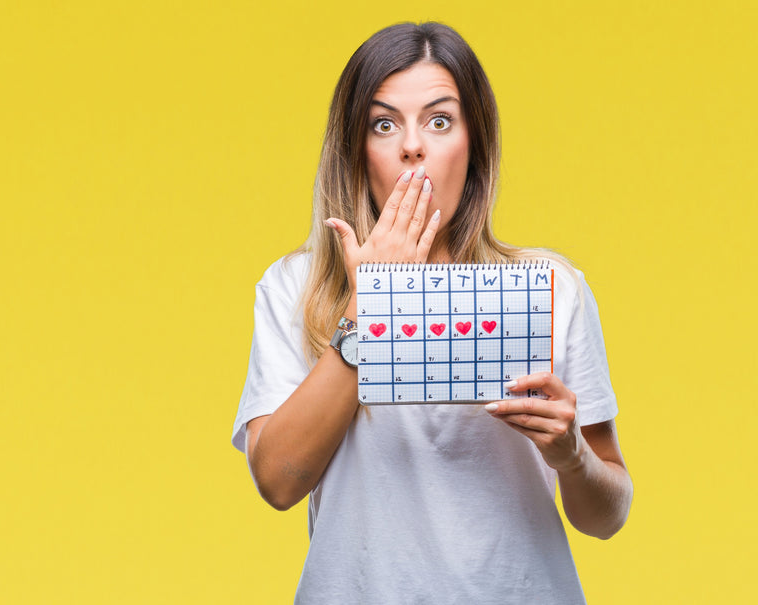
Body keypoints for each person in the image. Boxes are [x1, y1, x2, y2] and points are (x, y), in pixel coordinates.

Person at [231, 22, 633, 604]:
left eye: (439, 121)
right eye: (384, 123)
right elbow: (278, 481)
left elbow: (607, 515)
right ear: (357, 149)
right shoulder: (295, 287)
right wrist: (369, 306)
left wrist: (572, 458)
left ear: (474, 143)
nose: (412, 145)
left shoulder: (548, 287)